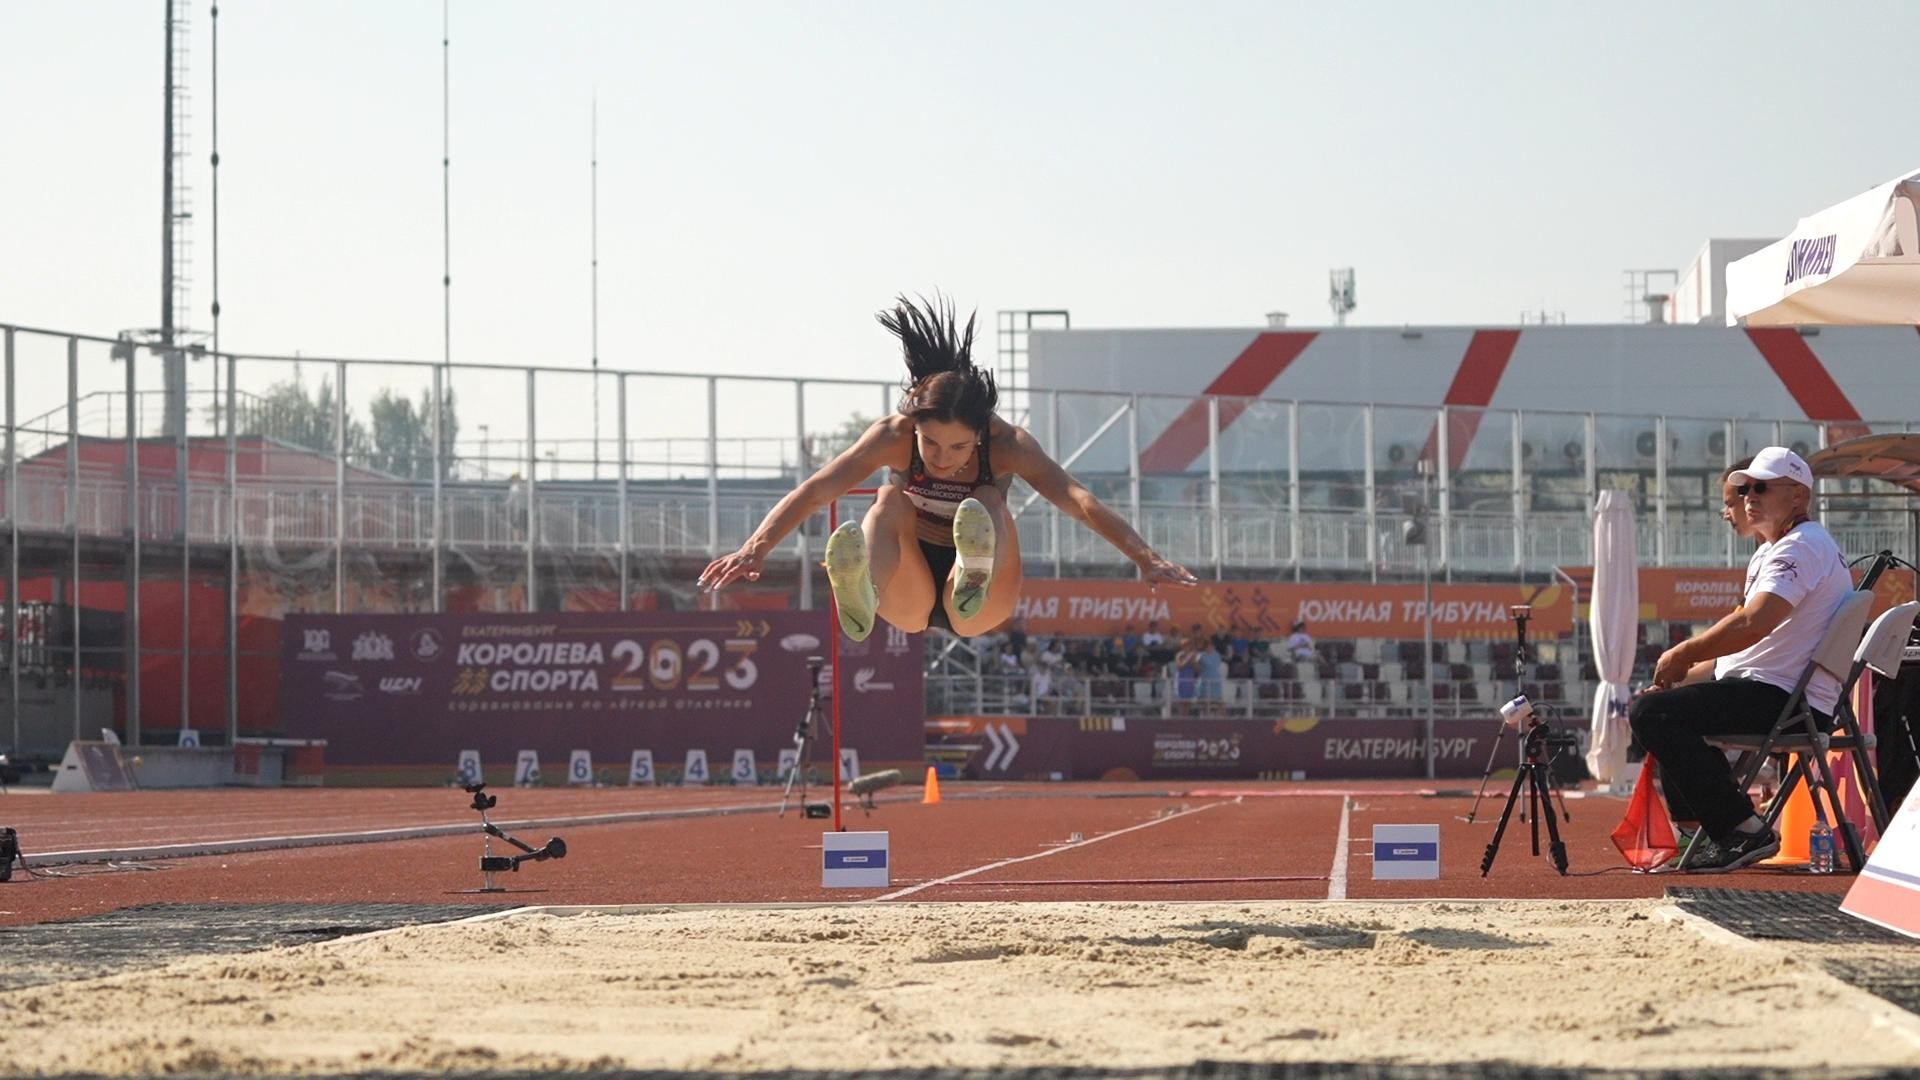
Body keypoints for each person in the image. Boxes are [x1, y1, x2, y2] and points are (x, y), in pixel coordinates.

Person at [699, 294, 1198, 639]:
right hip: (908, 589)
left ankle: (970, 573)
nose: (941, 459)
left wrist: (1145, 556)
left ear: (980, 434)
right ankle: (863, 589)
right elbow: (817, 490)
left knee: (986, 502)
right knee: (888, 499)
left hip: (985, 603)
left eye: (958, 449)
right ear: (913, 426)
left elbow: (1080, 502)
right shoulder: (893, 437)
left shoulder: (1009, 446)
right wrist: (755, 548)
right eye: (930, 443)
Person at [1628, 447, 1851, 872]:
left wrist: (1683, 651)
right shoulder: (1779, 549)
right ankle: (1710, 833)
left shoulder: (1801, 548)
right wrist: (1680, 676)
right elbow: (1748, 642)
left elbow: (1754, 623)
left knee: (1653, 714)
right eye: (1745, 487)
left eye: (1762, 487)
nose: (1750, 495)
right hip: (1777, 694)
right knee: (1661, 706)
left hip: (1786, 703)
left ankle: (1743, 830)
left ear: (1798, 496)